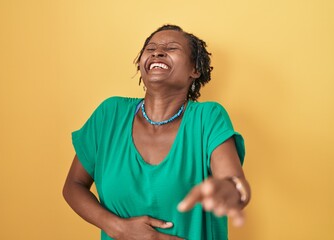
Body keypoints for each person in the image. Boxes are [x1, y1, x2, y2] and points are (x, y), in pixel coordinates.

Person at [63, 24, 251, 240]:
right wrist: (119, 228)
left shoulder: (207, 118)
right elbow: (73, 186)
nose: (158, 52)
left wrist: (230, 190)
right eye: (150, 49)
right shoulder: (110, 114)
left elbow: (233, 180)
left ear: (195, 70)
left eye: (172, 48)